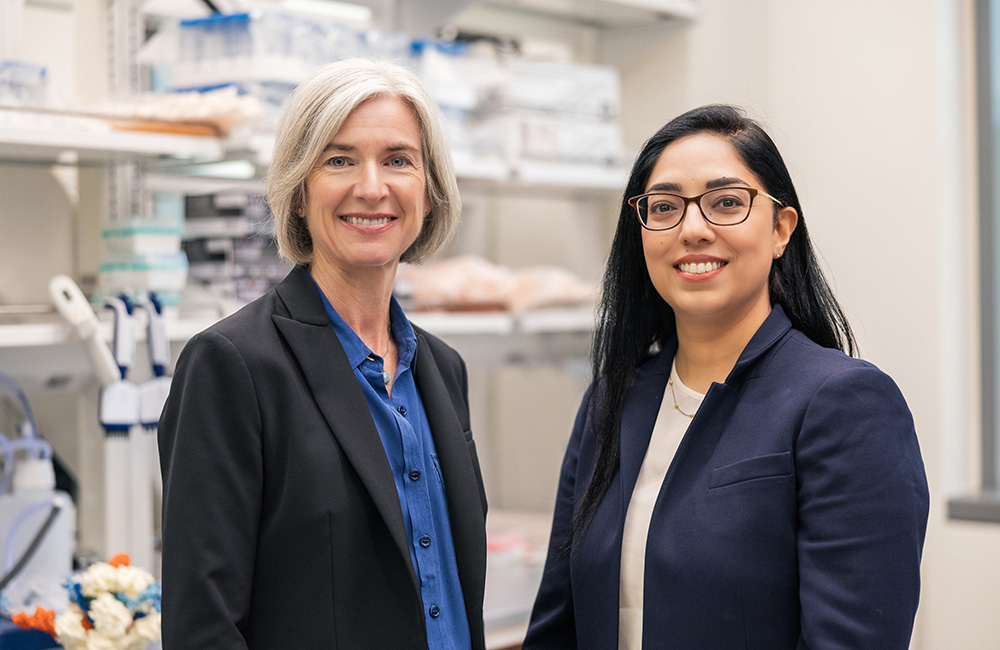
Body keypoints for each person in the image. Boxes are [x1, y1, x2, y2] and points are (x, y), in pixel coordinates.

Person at [522, 104, 929, 650]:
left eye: (727, 203)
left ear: (781, 228)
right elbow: (558, 625)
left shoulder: (845, 403)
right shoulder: (610, 402)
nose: (693, 229)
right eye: (664, 207)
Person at [158, 58, 488, 650]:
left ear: (430, 191)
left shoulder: (443, 370)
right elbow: (202, 628)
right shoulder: (232, 366)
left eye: (398, 160)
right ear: (299, 191)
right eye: (339, 159)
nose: (371, 186)